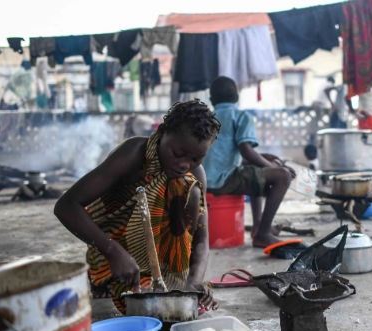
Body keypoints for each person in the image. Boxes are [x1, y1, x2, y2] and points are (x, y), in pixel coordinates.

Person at [54, 99, 220, 314]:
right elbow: (66, 205)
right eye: (178, 154)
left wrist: (195, 281)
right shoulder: (132, 155)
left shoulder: (195, 174)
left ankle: (171, 280)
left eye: (196, 158)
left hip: (164, 262)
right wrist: (112, 252)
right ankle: (108, 280)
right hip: (116, 254)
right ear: (161, 132)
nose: (184, 164)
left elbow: (201, 235)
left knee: (190, 188)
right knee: (141, 309)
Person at [202, 76, 295, 248]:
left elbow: (228, 155)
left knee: (254, 171)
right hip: (224, 181)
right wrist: (273, 166)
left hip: (202, 181)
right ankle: (263, 234)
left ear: (212, 100)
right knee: (283, 176)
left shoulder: (205, 119)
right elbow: (246, 149)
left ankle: (258, 226)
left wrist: (263, 160)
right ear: (237, 97)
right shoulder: (240, 116)